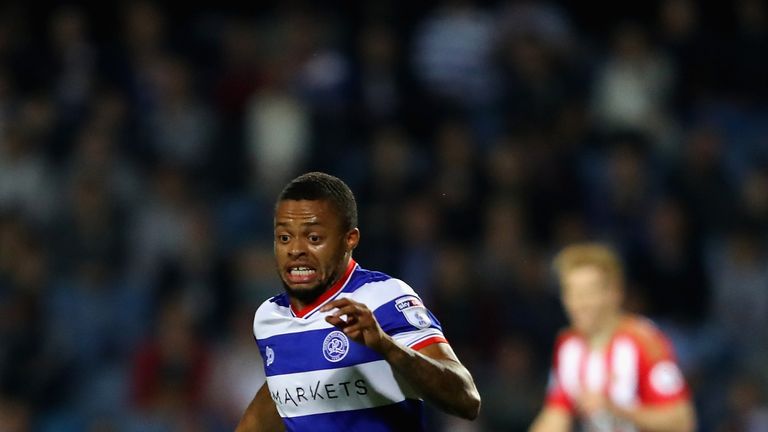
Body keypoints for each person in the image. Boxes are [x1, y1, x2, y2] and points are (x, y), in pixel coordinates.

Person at [236, 172, 481, 431]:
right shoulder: (269, 318)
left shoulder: (384, 297)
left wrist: (386, 346)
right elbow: (279, 398)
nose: (295, 250)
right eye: (284, 237)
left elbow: (466, 400)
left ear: (349, 239)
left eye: (314, 238)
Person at [529, 243, 696, 432]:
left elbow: (682, 420)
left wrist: (615, 410)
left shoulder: (644, 340)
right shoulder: (568, 344)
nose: (578, 303)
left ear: (614, 293)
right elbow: (556, 414)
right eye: (571, 292)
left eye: (588, 293)